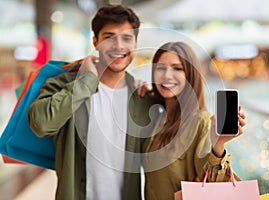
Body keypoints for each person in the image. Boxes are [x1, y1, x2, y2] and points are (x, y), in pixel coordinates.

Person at [27, 4, 155, 200]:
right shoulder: (64, 85)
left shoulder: (142, 99)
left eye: (127, 38)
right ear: (95, 42)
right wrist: (85, 83)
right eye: (109, 36)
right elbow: (40, 124)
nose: (119, 45)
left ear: (135, 44)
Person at [142, 42, 246, 200]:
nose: (167, 75)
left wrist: (218, 145)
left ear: (190, 75)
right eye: (161, 68)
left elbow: (215, 185)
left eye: (177, 68)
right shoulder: (158, 118)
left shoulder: (200, 122)